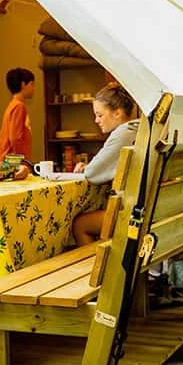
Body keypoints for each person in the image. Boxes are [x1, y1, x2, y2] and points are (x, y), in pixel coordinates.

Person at [71, 83, 139, 246]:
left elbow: (92, 174)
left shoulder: (123, 133)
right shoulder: (138, 129)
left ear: (117, 113)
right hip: (145, 209)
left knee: (80, 224)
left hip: (130, 214)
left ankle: (97, 269)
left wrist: (86, 168)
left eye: (100, 115)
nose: (96, 120)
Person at [0, 67, 34, 159]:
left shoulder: (13, 105)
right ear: (23, 84)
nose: (33, 88)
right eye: (32, 84)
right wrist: (22, 162)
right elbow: (15, 138)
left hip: (9, 159)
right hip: (12, 161)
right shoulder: (19, 106)